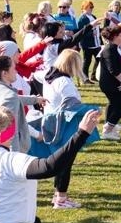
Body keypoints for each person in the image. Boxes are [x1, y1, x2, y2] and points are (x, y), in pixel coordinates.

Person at [38, 49, 90, 209]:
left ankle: (58, 195)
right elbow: (71, 103)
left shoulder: (50, 75)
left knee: (61, 159)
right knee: (66, 160)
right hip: (63, 124)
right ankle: (61, 198)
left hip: (50, 121)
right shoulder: (64, 82)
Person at [97, 23, 121, 140]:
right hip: (110, 84)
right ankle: (108, 128)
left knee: (114, 104)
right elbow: (113, 70)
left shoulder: (114, 48)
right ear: (115, 36)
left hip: (112, 83)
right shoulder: (109, 49)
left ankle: (110, 125)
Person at [74, 0, 100, 83]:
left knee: (99, 59)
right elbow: (81, 31)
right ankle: (85, 78)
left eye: (92, 7)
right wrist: (92, 32)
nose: (91, 9)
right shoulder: (82, 19)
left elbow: (97, 29)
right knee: (87, 61)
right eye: (89, 7)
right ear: (84, 8)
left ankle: (93, 76)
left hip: (96, 43)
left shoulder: (93, 16)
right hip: (87, 44)